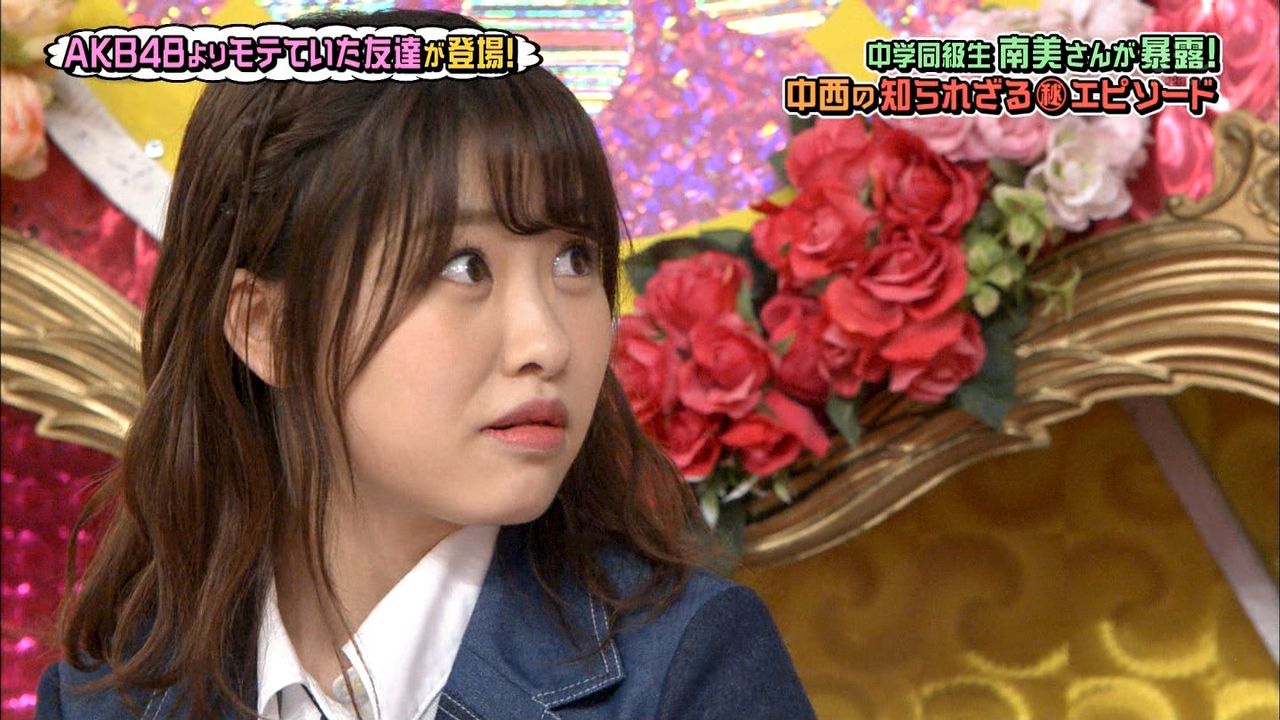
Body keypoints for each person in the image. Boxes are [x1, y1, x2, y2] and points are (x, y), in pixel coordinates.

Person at [34, 8, 816, 720]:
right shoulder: (106, 700)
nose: (547, 342)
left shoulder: (688, 669)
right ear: (265, 326)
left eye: (574, 259)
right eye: (464, 266)